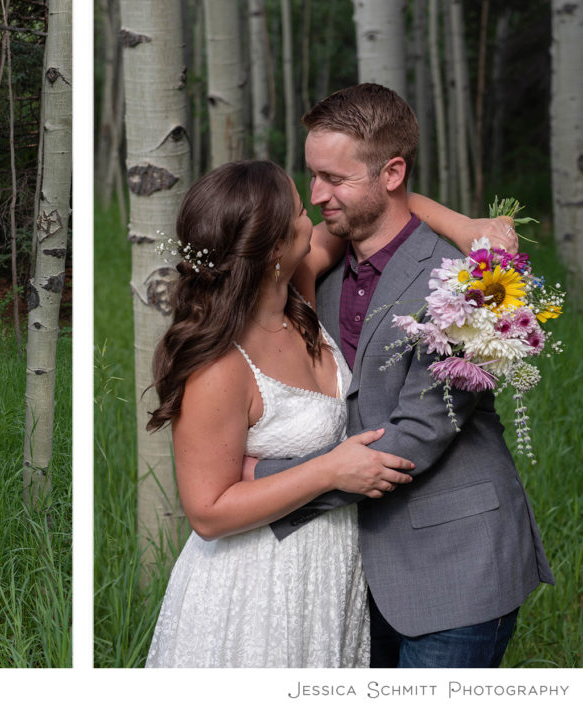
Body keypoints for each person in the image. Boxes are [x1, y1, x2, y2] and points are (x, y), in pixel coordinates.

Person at [143, 158, 518, 668]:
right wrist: (327, 470)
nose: (317, 209)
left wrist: (466, 229)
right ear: (273, 247)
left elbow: (390, 206)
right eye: (301, 209)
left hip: (331, 568)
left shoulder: (297, 286)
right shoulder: (219, 366)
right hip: (258, 581)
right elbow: (207, 513)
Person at [253, 83, 553, 668]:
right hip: (350, 574)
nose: (316, 196)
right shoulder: (323, 266)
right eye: (312, 177)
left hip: (457, 567)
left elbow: (416, 436)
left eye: (334, 180)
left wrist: (260, 484)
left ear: (392, 173)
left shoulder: (472, 285)